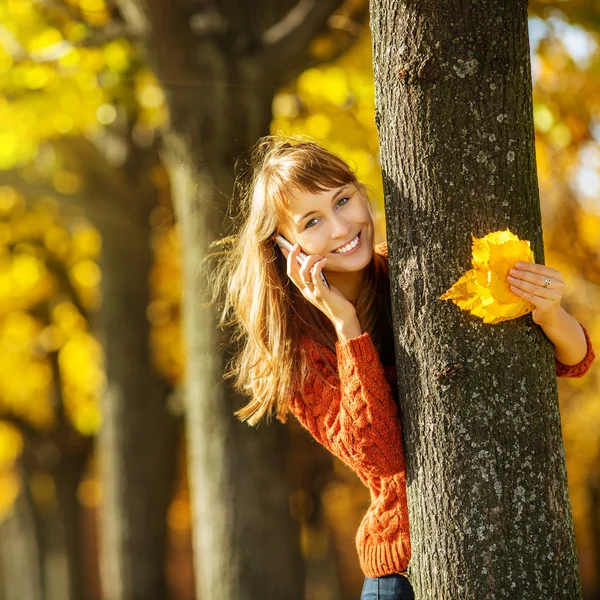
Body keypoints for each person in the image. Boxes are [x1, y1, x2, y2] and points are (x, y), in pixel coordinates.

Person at [208, 134, 596, 600]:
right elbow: (381, 455)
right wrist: (347, 326)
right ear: (285, 247)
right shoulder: (298, 353)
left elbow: (574, 361)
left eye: (343, 199)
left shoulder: (412, 269)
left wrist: (551, 312)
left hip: (505, 543)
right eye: (312, 221)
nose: (340, 226)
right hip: (403, 572)